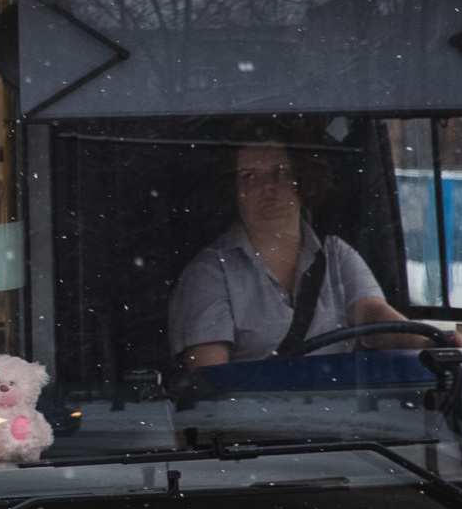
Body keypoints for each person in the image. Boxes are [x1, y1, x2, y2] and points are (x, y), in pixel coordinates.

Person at [168, 139, 447, 367]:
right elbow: (210, 382)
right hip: (251, 429)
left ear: (303, 182)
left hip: (341, 425)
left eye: (281, 173)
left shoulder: (336, 254)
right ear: (233, 192)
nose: (268, 187)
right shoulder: (209, 271)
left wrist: (426, 343)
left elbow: (372, 315)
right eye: (249, 177)